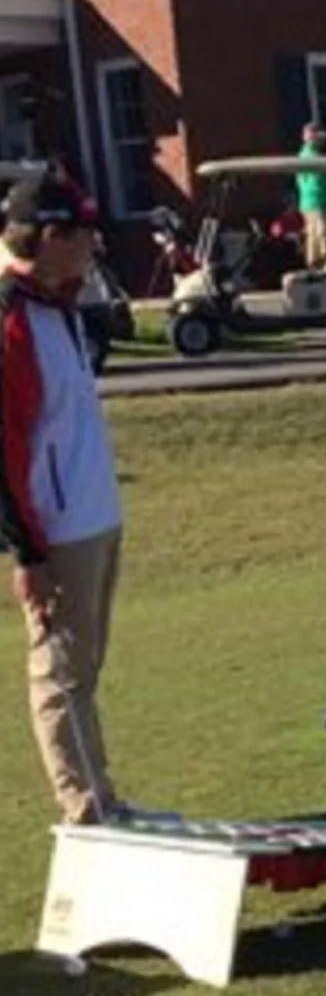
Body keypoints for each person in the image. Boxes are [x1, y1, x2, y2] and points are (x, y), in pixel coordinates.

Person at [0, 173, 126, 822]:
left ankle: (103, 796)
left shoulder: (63, 305)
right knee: (61, 675)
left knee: (85, 672)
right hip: (58, 531)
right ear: (50, 237)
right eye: (82, 231)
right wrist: (28, 552)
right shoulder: (11, 318)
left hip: (97, 515)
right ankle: (87, 810)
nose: (94, 243)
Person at [295, 122, 326, 269]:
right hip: (320, 200)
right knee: (324, 232)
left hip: (308, 202)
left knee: (313, 233)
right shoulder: (312, 156)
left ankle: (314, 263)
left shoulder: (303, 155)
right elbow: (319, 182)